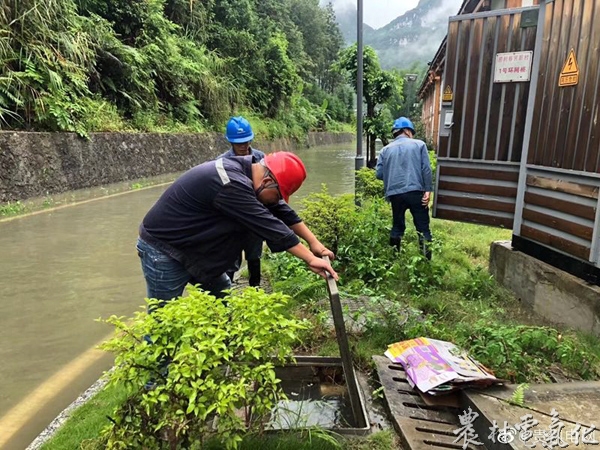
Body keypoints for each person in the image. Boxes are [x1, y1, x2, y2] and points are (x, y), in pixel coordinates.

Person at [136, 151, 338, 307]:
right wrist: (309, 259)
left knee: (221, 294)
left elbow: (280, 210)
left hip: (196, 247)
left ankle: (218, 352)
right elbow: (269, 225)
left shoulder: (250, 175)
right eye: (278, 195)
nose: (277, 202)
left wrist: (314, 244)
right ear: (267, 182)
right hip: (163, 249)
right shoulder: (230, 182)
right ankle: (159, 362)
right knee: (164, 321)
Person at [375, 116, 433, 260]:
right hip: (416, 192)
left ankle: (394, 259)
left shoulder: (384, 150)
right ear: (407, 131)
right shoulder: (419, 145)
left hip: (395, 194)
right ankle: (426, 262)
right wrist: (428, 190)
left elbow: (379, 174)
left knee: (397, 226)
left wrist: (394, 176)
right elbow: (426, 169)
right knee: (423, 228)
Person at [218, 116, 265, 287]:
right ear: (230, 142)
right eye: (239, 143)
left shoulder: (260, 158)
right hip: (232, 219)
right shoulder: (221, 162)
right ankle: (227, 297)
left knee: (254, 256)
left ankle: (256, 290)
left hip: (254, 217)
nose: (243, 146)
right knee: (230, 259)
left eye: (246, 141)